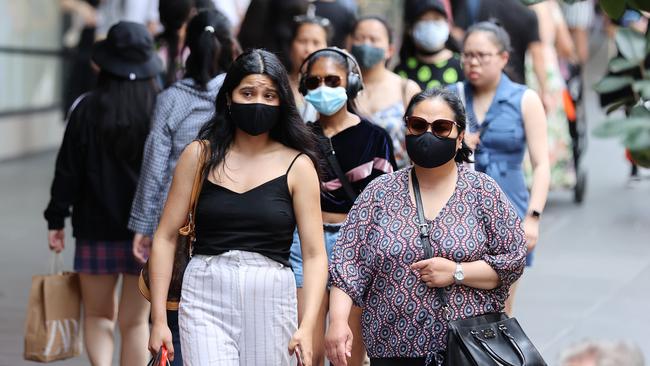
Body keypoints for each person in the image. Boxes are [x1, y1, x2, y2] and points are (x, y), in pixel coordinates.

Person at [146, 49, 328, 365]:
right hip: (205, 292)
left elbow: (314, 254)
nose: (258, 101)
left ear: (282, 102)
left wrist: (308, 324)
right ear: (229, 98)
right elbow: (164, 237)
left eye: (269, 95)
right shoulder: (198, 156)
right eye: (248, 92)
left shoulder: (298, 165)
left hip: (271, 295)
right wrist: (159, 319)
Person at [325, 88, 527, 365]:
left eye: (441, 128)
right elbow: (347, 265)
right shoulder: (379, 193)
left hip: (469, 351)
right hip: (393, 349)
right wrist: (337, 322)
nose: (428, 134)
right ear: (406, 127)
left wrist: (456, 272)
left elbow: (511, 262)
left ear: (459, 137)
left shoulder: (483, 191)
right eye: (418, 125)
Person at [44, 21, 161, 366]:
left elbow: (67, 170)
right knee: (136, 321)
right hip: (146, 235)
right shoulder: (158, 108)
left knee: (97, 316)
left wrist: (56, 218)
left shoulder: (84, 109)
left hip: (94, 229)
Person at [128, 9, 239, 365]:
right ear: (229, 45)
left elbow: (154, 166)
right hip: (227, 218)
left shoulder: (170, 99)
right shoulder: (240, 97)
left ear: (186, 46)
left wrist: (145, 227)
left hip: (174, 223)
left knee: (173, 312)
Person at [291, 47, 397, 366]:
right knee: (307, 351)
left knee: (346, 353)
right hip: (303, 243)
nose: (324, 87)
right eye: (315, 81)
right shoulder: (297, 137)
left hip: (353, 246)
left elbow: (383, 205)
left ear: (349, 84)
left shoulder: (375, 137)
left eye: (332, 79)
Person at [457, 21, 550, 314]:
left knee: (500, 308)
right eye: (468, 55)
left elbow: (542, 164)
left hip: (510, 210)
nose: (473, 62)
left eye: (481, 55)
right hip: (459, 211)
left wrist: (533, 217)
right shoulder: (452, 97)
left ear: (503, 57)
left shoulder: (525, 99)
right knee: (460, 304)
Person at [451, 0, 552, 109]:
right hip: (515, 82)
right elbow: (537, 55)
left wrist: (469, 54)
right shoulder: (527, 13)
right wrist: (544, 91)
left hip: (479, 83)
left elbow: (457, 34)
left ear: (504, 57)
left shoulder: (477, 4)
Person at [349, 15, 420, 169]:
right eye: (360, 38)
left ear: (390, 50)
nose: (366, 44)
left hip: (398, 183)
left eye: (374, 39)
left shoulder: (406, 89)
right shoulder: (340, 87)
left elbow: (421, 138)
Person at [525, 0, 577, 190]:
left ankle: (531, 175)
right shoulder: (549, 6)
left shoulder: (524, 5)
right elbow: (566, 45)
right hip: (546, 68)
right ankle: (551, 174)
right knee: (551, 126)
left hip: (526, 66)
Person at [395, 0, 464, 91]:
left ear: (447, 25)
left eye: (436, 19)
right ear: (410, 29)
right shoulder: (401, 71)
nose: (431, 26)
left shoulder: (462, 66)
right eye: (424, 20)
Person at [286, 15, 332, 123]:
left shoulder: (334, 90)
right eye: (302, 41)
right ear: (291, 45)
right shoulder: (278, 84)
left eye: (316, 42)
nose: (309, 49)